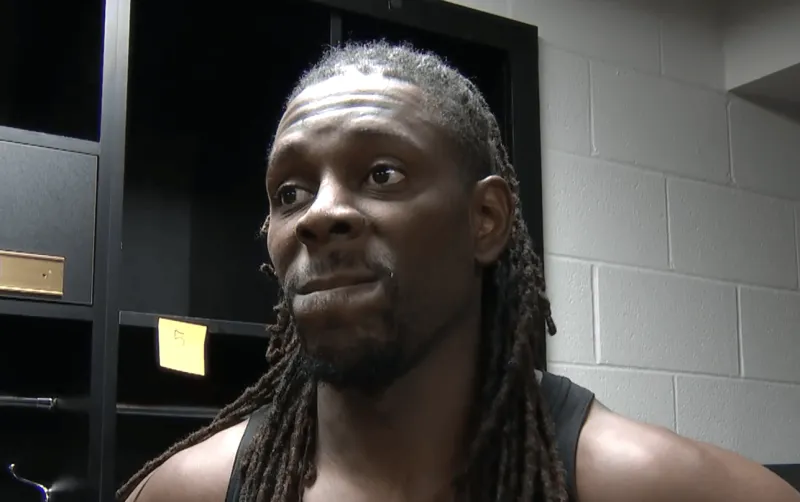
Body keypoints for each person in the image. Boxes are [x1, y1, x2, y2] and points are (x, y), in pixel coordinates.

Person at [118, 41, 800, 502]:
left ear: (486, 220)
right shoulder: (189, 492)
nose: (318, 216)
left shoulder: (644, 485)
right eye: (289, 193)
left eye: (382, 175)